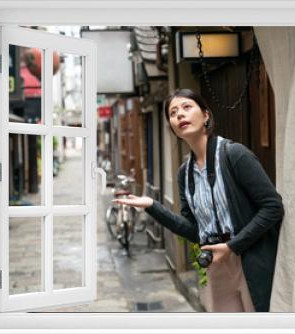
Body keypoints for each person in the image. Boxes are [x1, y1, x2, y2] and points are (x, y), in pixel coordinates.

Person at [112, 88, 284, 312]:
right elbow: (193, 230)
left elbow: (273, 207)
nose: (180, 115)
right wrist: (152, 206)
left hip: (249, 259)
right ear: (172, 126)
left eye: (186, 107)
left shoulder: (234, 155)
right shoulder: (185, 174)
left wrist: (233, 246)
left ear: (206, 115)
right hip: (215, 264)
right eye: (173, 113)